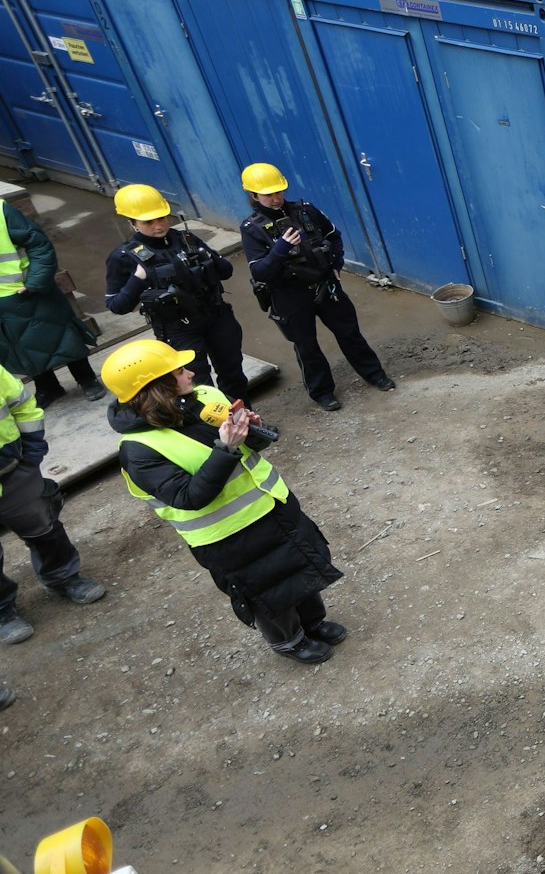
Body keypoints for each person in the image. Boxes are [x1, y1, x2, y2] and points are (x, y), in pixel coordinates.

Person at [105, 339, 347, 664]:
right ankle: (290, 641)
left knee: (299, 566)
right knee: (266, 592)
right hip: (228, 537)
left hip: (271, 505)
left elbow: (250, 448)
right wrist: (226, 449)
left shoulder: (205, 397)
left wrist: (257, 430)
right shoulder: (138, 450)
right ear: (158, 386)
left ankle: (312, 623)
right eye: (179, 370)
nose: (190, 372)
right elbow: (187, 498)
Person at [238, 163, 394, 412]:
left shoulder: (305, 211)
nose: (276, 198)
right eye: (268, 195)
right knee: (306, 345)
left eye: (279, 192)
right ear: (253, 195)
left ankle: (375, 374)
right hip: (290, 295)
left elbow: (333, 236)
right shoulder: (252, 228)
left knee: (349, 333)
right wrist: (280, 249)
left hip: (325, 285)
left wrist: (336, 263)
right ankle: (322, 392)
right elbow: (260, 271)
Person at [104, 185, 250, 404]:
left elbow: (226, 271)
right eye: (148, 222)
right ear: (131, 222)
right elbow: (117, 305)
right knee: (198, 384)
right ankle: (215, 431)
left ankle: (245, 421)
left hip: (216, 316)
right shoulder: (124, 257)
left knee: (233, 372)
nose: (158, 226)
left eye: (162, 218)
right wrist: (138, 278)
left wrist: (207, 258)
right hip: (179, 329)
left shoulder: (186, 239)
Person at [0, 367, 108, 645]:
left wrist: (32, 451)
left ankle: (64, 578)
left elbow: (20, 403)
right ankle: (3, 610)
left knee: (44, 527)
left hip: (13, 472)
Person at [0, 201, 106, 406]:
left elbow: (38, 244)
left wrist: (36, 281)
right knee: (20, 347)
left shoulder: (2, 211)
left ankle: (86, 379)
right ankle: (48, 387)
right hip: (7, 300)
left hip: (28, 291)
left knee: (63, 335)